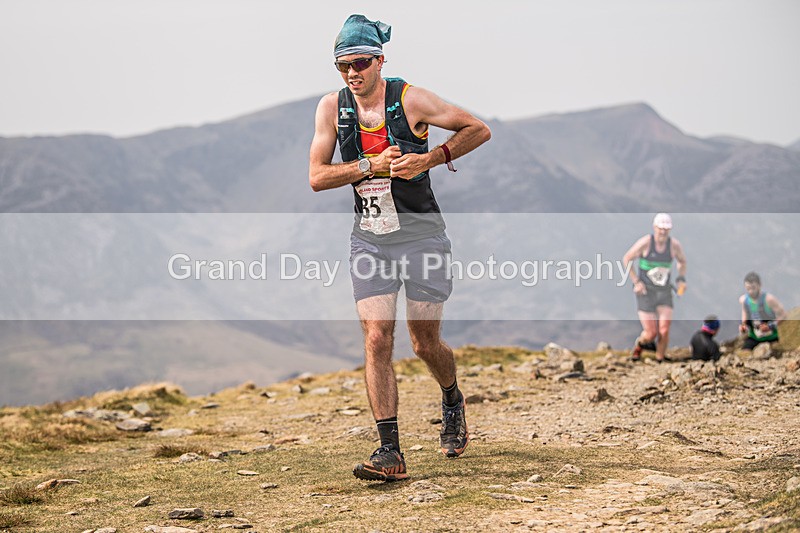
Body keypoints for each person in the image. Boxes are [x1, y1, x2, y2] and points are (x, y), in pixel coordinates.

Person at [308, 14, 491, 482]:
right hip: (369, 239)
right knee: (376, 338)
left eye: (361, 62)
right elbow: (317, 176)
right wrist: (370, 166)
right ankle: (389, 450)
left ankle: (451, 396)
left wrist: (430, 158)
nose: (353, 73)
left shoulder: (411, 100)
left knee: (424, 342)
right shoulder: (331, 108)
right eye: (343, 65)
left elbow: (477, 128)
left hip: (422, 235)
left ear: (379, 60)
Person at [622, 213, 687, 363]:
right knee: (651, 332)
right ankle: (640, 345)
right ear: (655, 228)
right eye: (660, 228)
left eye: (666, 229)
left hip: (664, 291)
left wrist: (681, 278)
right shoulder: (645, 243)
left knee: (664, 329)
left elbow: (682, 262)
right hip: (646, 292)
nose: (663, 232)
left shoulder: (674, 245)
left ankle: (660, 358)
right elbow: (626, 259)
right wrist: (636, 281)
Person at [738, 272, 787, 350]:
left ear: (759, 285)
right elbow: (744, 314)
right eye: (748, 289)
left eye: (753, 288)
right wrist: (743, 325)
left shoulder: (769, 299)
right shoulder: (744, 300)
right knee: (744, 353)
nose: (751, 291)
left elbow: (783, 315)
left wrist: (770, 326)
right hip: (754, 338)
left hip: (771, 338)